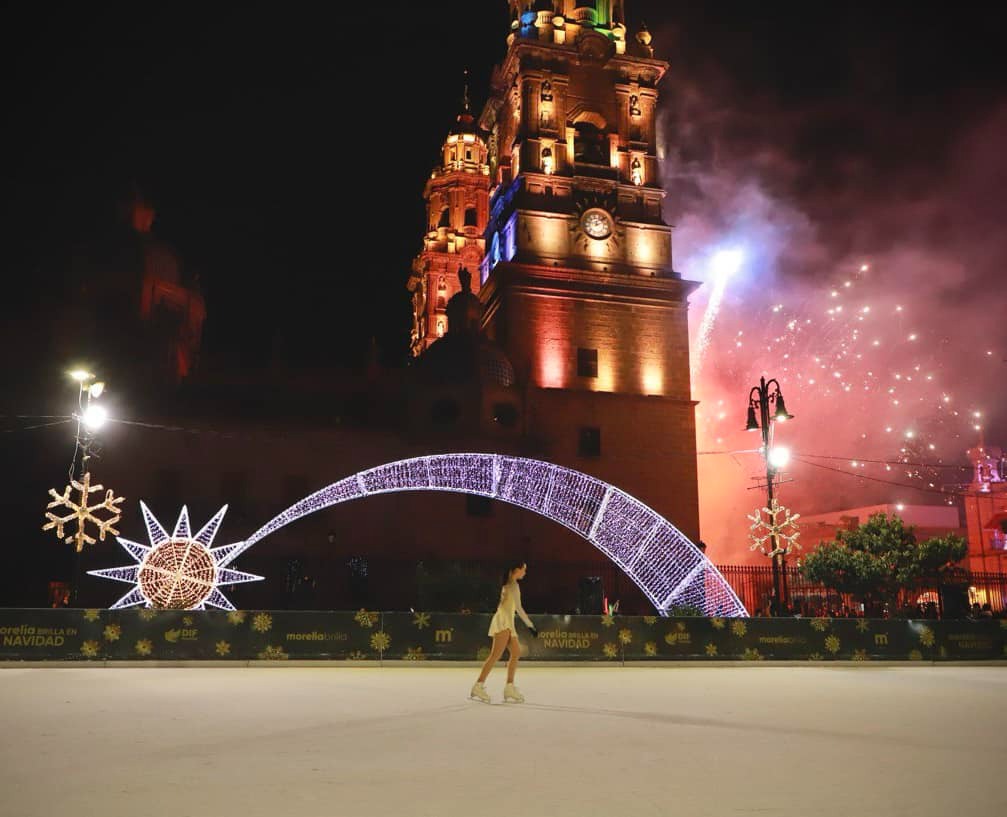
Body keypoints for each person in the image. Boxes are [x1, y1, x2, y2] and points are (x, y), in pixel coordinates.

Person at [470, 560, 537, 704]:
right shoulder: (513, 586)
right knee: (495, 655)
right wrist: (530, 625)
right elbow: (519, 608)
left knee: (516, 652)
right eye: (523, 569)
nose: (525, 572)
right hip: (503, 622)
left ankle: (509, 686)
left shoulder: (509, 585)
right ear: (516, 570)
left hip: (507, 621)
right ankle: (478, 685)